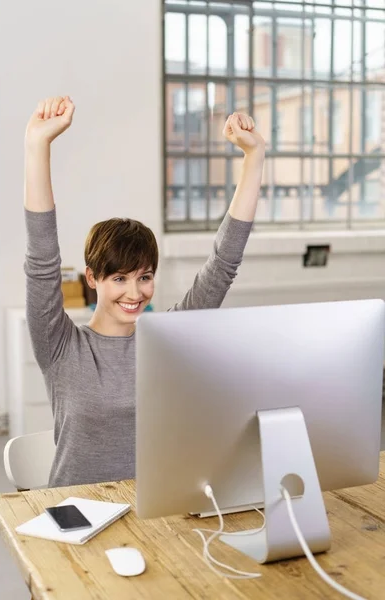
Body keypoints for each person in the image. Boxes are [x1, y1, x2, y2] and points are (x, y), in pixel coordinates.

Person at [24, 95, 265, 487]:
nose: (134, 292)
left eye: (144, 276)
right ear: (92, 278)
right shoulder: (60, 346)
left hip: (155, 514)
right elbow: (41, 261)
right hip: (78, 512)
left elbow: (223, 264)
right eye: (119, 278)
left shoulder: (167, 340)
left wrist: (254, 157)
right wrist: (38, 145)